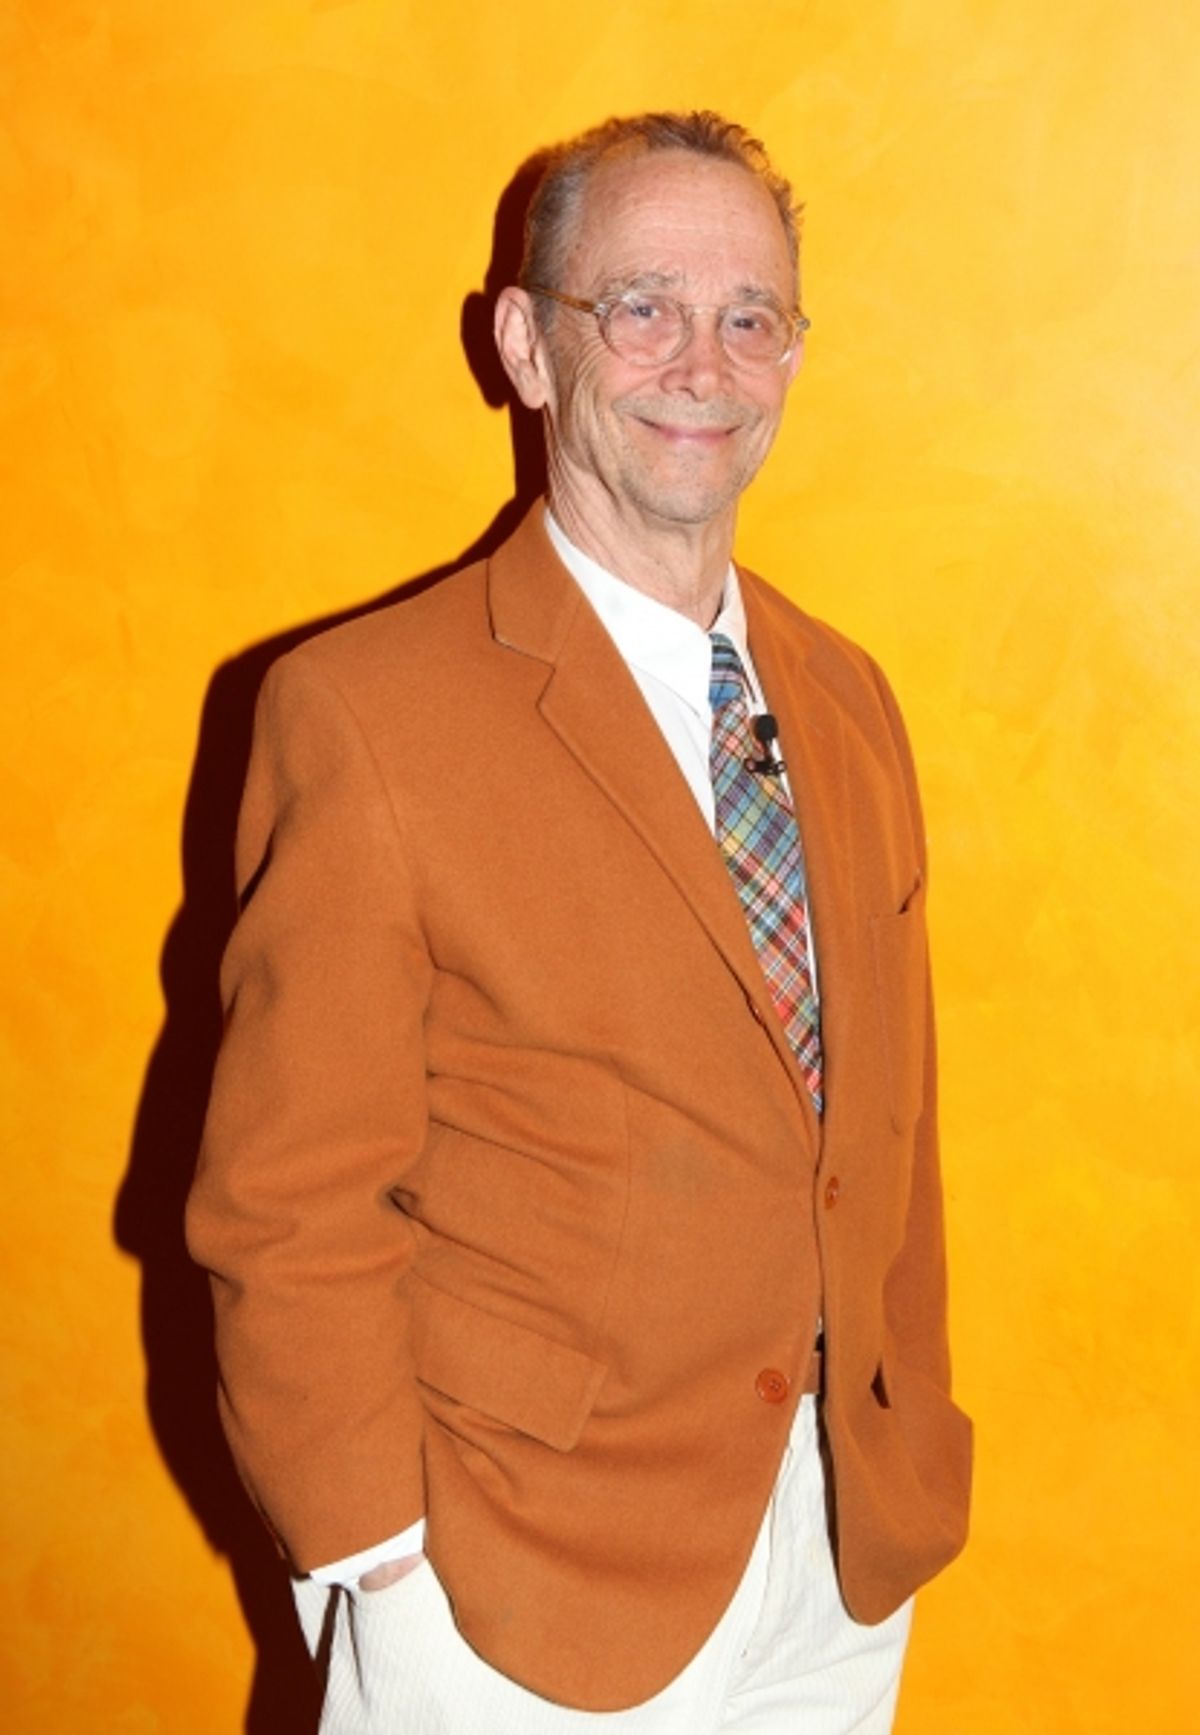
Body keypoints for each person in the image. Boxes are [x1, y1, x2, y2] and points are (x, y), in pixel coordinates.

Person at [187, 110, 971, 1733]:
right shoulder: (362, 714)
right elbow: (284, 1207)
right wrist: (379, 1567)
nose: (705, 361)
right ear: (527, 348)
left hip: (833, 1570)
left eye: (750, 316)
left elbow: (887, 1128)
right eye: (644, 306)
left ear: (794, 355)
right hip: (511, 1602)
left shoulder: (846, 698)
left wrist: (906, 1447)